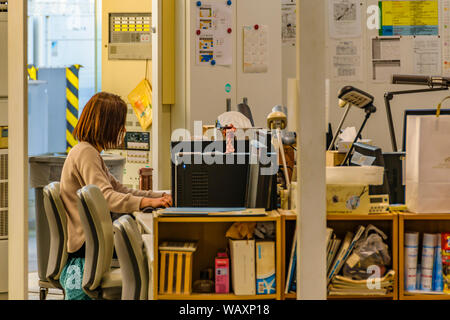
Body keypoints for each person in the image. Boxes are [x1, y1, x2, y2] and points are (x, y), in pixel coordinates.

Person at [59, 92, 172, 299]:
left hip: (91, 246)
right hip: (86, 249)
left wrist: (159, 196)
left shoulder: (89, 152)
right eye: (120, 124)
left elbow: (120, 189)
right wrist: (148, 202)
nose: (124, 130)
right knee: (149, 252)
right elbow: (107, 197)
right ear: (107, 125)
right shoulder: (86, 153)